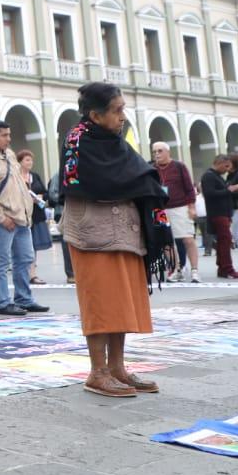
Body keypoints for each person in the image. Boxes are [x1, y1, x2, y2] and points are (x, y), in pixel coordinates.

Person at [59, 82, 168, 397]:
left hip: (123, 231)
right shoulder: (78, 141)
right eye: (117, 110)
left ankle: (118, 368)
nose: (122, 116)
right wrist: (138, 183)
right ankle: (97, 372)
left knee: (121, 300)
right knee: (100, 301)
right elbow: (87, 181)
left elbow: (140, 175)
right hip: (91, 231)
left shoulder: (114, 141)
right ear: (95, 114)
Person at [0, 121, 49, 316]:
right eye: (4, 135)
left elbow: (19, 185)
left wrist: (26, 212)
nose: (9, 138)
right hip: (1, 220)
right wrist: (0, 217)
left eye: (9, 134)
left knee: (24, 259)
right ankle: (2, 302)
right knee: (0, 262)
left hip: (20, 218)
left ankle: (24, 298)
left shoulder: (9, 155)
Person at [150, 142, 199, 282]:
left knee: (187, 239)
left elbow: (189, 188)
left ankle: (195, 270)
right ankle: (176, 269)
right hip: (160, 209)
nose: (157, 154)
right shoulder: (152, 169)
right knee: (166, 242)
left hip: (180, 207)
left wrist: (191, 207)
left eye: (160, 151)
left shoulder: (179, 166)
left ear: (167, 152)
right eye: (154, 152)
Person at [200, 155, 238, 279]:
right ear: (219, 163)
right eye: (226, 166)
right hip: (217, 213)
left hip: (222, 213)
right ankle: (228, 268)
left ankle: (222, 268)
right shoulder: (209, 176)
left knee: (223, 241)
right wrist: (229, 190)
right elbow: (209, 194)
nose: (227, 169)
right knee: (225, 241)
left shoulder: (216, 176)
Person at [18, 150, 51, 284]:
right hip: (22, 214)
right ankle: (22, 273)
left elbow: (44, 192)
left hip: (36, 214)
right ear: (20, 162)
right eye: (27, 160)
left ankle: (32, 274)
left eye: (31, 160)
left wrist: (40, 197)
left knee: (33, 246)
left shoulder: (35, 176)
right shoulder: (16, 177)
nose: (30, 162)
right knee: (22, 246)